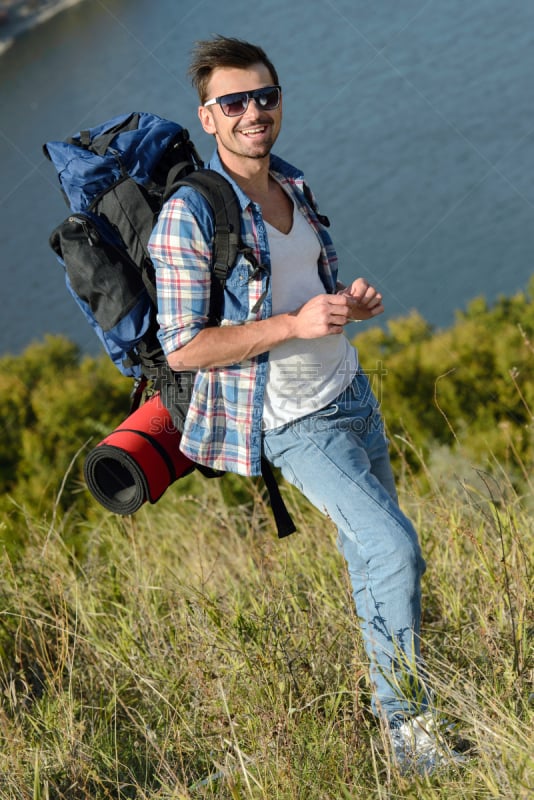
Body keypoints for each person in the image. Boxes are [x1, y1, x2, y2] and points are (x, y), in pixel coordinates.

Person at [148, 35, 465, 774]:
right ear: (208, 117)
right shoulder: (190, 216)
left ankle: (404, 709)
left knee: (370, 557)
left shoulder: (290, 182)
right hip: (291, 422)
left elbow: (297, 288)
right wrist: (293, 326)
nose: (254, 111)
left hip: (349, 390)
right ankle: (411, 736)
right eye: (235, 102)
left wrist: (346, 306)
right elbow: (184, 347)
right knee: (393, 550)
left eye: (266, 96)